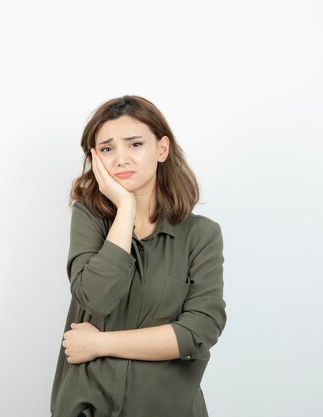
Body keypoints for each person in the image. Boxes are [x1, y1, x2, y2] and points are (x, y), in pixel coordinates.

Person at [49, 95, 227, 417]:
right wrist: (126, 208)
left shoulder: (201, 235)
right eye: (107, 149)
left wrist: (100, 344)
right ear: (95, 158)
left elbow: (198, 333)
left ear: (162, 149)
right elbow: (96, 298)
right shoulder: (90, 218)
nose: (120, 159)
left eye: (134, 145)